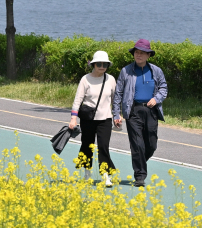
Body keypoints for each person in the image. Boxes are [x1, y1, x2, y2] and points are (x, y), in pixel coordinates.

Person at [113, 39, 167, 187]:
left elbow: (164, 88)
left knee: (151, 145)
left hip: (151, 111)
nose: (139, 55)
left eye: (142, 53)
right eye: (137, 52)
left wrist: (156, 99)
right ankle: (140, 176)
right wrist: (116, 114)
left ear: (148, 55)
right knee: (137, 145)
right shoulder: (126, 71)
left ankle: (140, 162)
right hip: (133, 111)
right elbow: (118, 93)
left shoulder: (156, 71)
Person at [68, 50, 117, 185]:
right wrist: (73, 118)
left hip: (105, 119)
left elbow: (115, 100)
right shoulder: (85, 79)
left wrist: (118, 116)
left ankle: (106, 175)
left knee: (103, 146)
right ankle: (87, 172)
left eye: (105, 64)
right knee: (87, 145)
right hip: (88, 119)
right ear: (93, 64)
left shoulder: (111, 79)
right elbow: (78, 100)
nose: (102, 66)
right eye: (99, 64)